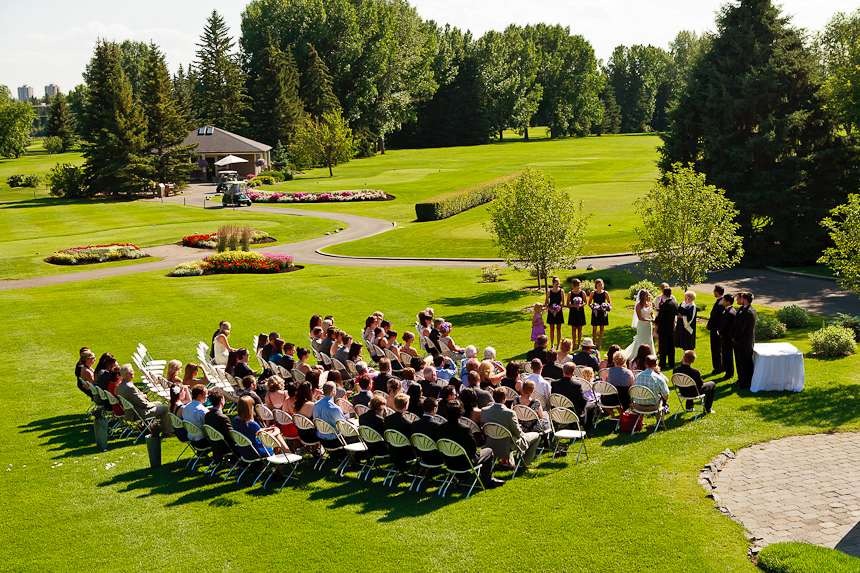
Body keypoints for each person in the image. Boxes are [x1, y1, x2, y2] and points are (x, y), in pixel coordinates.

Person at [438, 400, 504, 488]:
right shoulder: (465, 429)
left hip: (449, 462)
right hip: (466, 463)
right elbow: (473, 449)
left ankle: (462, 475)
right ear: (461, 412)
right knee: (489, 451)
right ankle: (488, 481)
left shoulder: (440, 428)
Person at [482, 388, 541, 469]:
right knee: (536, 436)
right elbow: (518, 434)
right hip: (507, 444)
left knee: (508, 435)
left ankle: (509, 462)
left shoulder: (484, 411)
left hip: (491, 442)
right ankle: (524, 465)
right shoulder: (509, 413)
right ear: (505, 398)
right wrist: (520, 430)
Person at [115, 363, 173, 437]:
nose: (134, 372)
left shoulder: (121, 385)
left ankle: (154, 426)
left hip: (132, 411)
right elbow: (143, 403)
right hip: (139, 413)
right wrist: (151, 404)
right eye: (132, 371)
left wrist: (143, 397)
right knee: (165, 408)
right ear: (127, 374)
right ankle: (166, 432)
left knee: (159, 403)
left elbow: (134, 397)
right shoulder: (130, 387)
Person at [553, 363, 598, 431]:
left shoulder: (554, 383)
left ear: (563, 370)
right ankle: (587, 428)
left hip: (559, 411)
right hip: (575, 412)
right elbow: (583, 402)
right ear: (573, 372)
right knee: (591, 405)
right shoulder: (576, 385)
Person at [233, 395, 277, 461]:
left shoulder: (235, 420)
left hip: (244, 451)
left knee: (273, 432)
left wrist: (268, 429)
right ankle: (279, 465)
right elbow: (263, 437)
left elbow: (257, 431)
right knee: (276, 436)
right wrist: (276, 431)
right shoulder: (251, 424)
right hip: (255, 451)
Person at [632, 355, 670, 428]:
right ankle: (659, 421)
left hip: (638, 406)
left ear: (645, 363)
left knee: (642, 396)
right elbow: (666, 396)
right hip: (653, 406)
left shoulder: (637, 377)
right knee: (659, 399)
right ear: (656, 365)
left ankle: (640, 422)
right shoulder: (658, 378)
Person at [311, 381, 350, 452]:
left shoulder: (316, 405)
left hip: (321, 439)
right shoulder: (335, 408)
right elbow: (344, 428)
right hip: (335, 440)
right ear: (333, 391)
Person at [203, 388, 239, 463]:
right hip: (226, 446)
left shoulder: (208, 415)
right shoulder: (223, 418)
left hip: (215, 446)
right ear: (221, 401)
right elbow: (232, 436)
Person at [733, 292, 757, 389]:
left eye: (742, 299)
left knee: (744, 362)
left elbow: (741, 328)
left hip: (743, 341)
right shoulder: (753, 310)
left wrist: (735, 337)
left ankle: (745, 383)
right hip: (748, 340)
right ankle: (743, 380)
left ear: (745, 300)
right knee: (744, 361)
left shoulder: (746, 313)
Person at [384, 393, 416, 468]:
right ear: (406, 405)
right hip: (407, 455)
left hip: (393, 453)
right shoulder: (408, 424)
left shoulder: (387, 419)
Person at [624, 289, 656, 359]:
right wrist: (650, 320)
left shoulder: (649, 304)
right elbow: (640, 317)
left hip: (648, 326)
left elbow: (652, 313)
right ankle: (638, 355)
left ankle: (649, 354)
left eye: (648, 295)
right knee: (641, 339)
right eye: (647, 296)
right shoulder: (639, 305)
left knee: (649, 339)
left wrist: (653, 318)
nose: (648, 297)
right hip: (642, 325)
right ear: (642, 296)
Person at [653, 287, 679, 370]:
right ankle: (672, 363)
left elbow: (659, 317)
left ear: (663, 294)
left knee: (663, 347)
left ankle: (663, 364)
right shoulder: (675, 303)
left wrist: (655, 321)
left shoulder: (664, 305)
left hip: (663, 328)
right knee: (671, 346)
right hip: (671, 327)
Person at [707, 285, 726, 374]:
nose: (713, 293)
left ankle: (717, 367)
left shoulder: (719, 304)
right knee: (720, 349)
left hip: (716, 329)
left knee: (716, 349)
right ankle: (721, 366)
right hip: (719, 328)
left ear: (717, 292)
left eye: (714, 291)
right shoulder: (722, 302)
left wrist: (709, 325)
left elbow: (714, 317)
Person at [588, 278, 611, 350]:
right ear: (596, 286)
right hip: (596, 312)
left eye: (601, 285)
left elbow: (609, 302)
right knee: (594, 328)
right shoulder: (593, 293)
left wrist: (606, 309)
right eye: (599, 285)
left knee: (602, 327)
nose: (600, 286)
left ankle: (600, 344)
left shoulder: (605, 293)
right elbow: (589, 303)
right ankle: (594, 343)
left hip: (602, 312)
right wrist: (593, 308)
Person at [544, 276, 566, 349]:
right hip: (551, 311)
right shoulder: (549, 292)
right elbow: (546, 303)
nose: (557, 285)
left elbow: (563, 303)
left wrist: (558, 309)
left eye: (558, 284)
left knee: (559, 328)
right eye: (556, 284)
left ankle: (558, 344)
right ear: (553, 284)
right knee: (552, 328)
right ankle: (552, 344)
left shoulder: (561, 291)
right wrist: (551, 310)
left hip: (558, 311)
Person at [719, 294, 737, 380]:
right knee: (726, 354)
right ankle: (727, 371)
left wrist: (719, 331)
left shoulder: (730, 312)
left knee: (727, 355)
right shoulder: (729, 310)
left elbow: (726, 325)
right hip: (726, 336)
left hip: (727, 337)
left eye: (724, 300)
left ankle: (729, 373)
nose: (723, 302)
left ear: (728, 301)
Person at [567, 278, 588, 348]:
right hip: (573, 312)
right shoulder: (570, 293)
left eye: (578, 285)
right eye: (576, 285)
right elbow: (567, 304)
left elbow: (585, 302)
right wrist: (575, 306)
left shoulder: (583, 293)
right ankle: (574, 343)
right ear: (573, 285)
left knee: (580, 328)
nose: (578, 287)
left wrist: (581, 305)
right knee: (573, 328)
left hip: (580, 312)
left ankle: (579, 344)